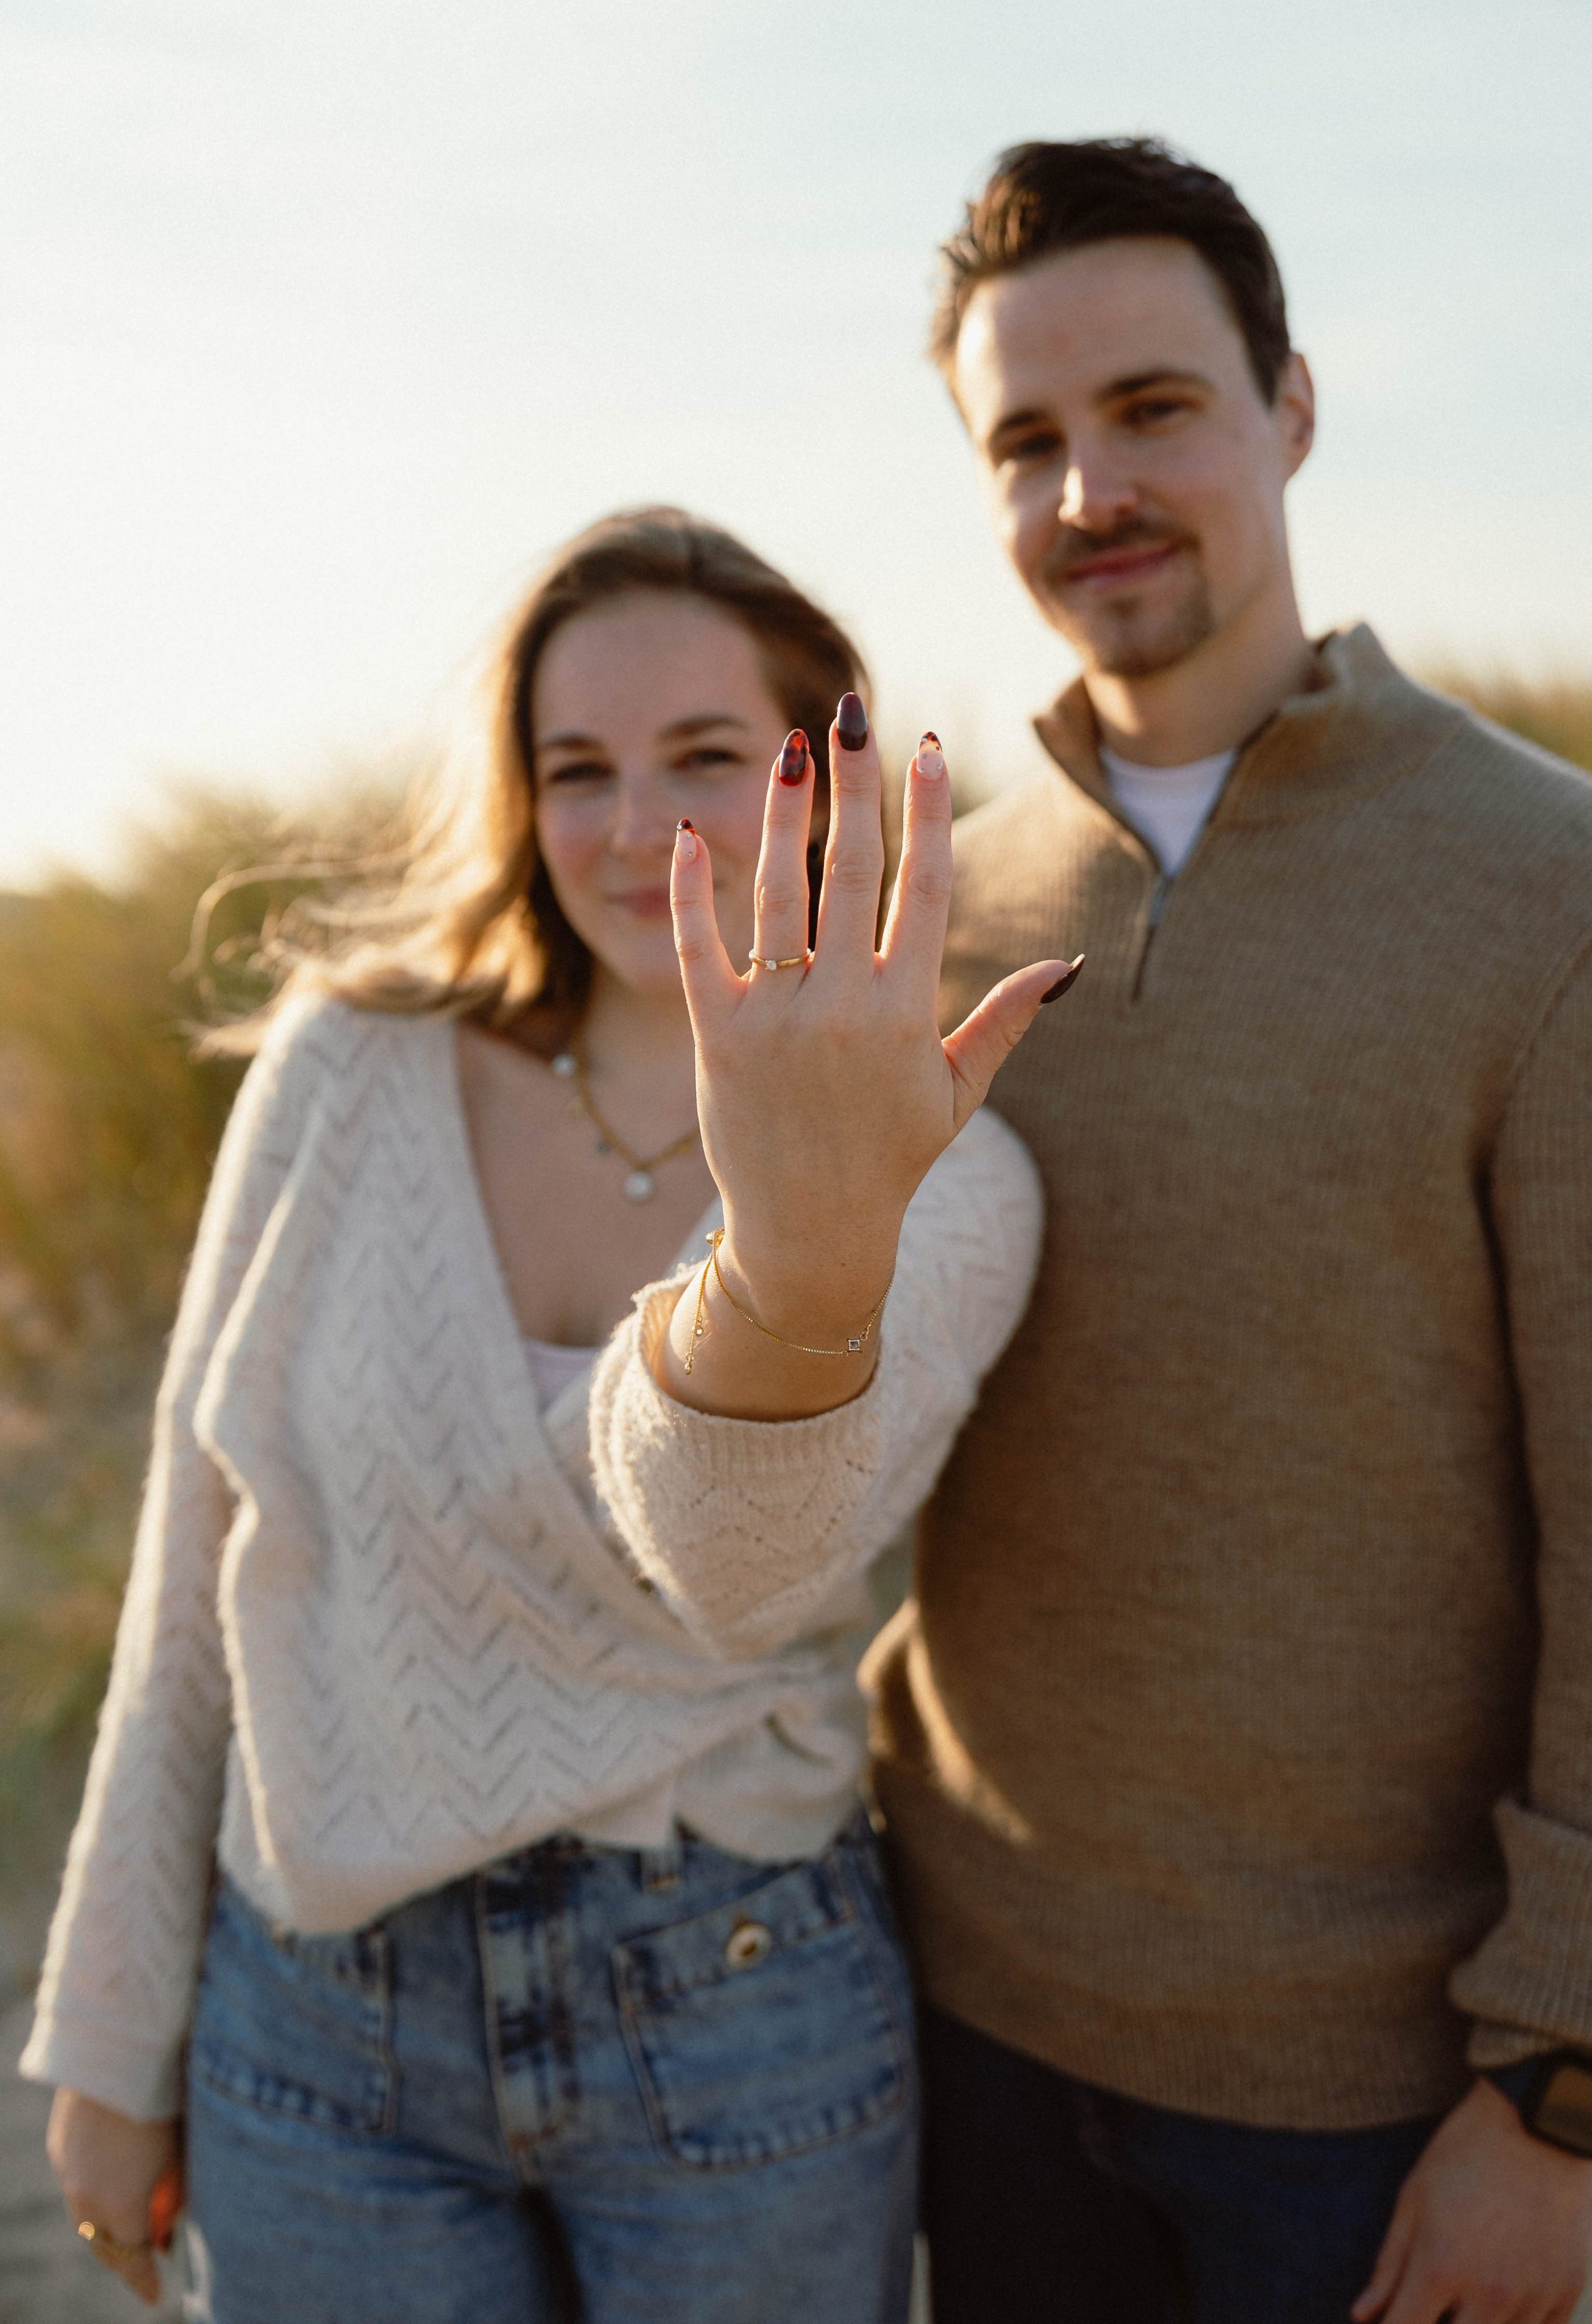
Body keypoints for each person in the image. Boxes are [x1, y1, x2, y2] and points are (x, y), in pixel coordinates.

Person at [588, 146, 1592, 2322]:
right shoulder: (925, 907)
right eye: (1024, 442)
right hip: (963, 2027)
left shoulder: (1551, 890)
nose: (1088, 491)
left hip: (1377, 2100)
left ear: (1292, 406)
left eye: (1152, 408)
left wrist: (1564, 2095)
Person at [21, 506, 1062, 2322]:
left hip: (729, 2004)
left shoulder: (958, 1185)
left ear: (827, 785)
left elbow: (730, 1573)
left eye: (706, 757)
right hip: (316, 2005)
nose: (631, 824)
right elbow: (199, 1555)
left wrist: (801, 1247)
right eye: (575, 768)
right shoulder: (352, 1063)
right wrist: (111, 2029)